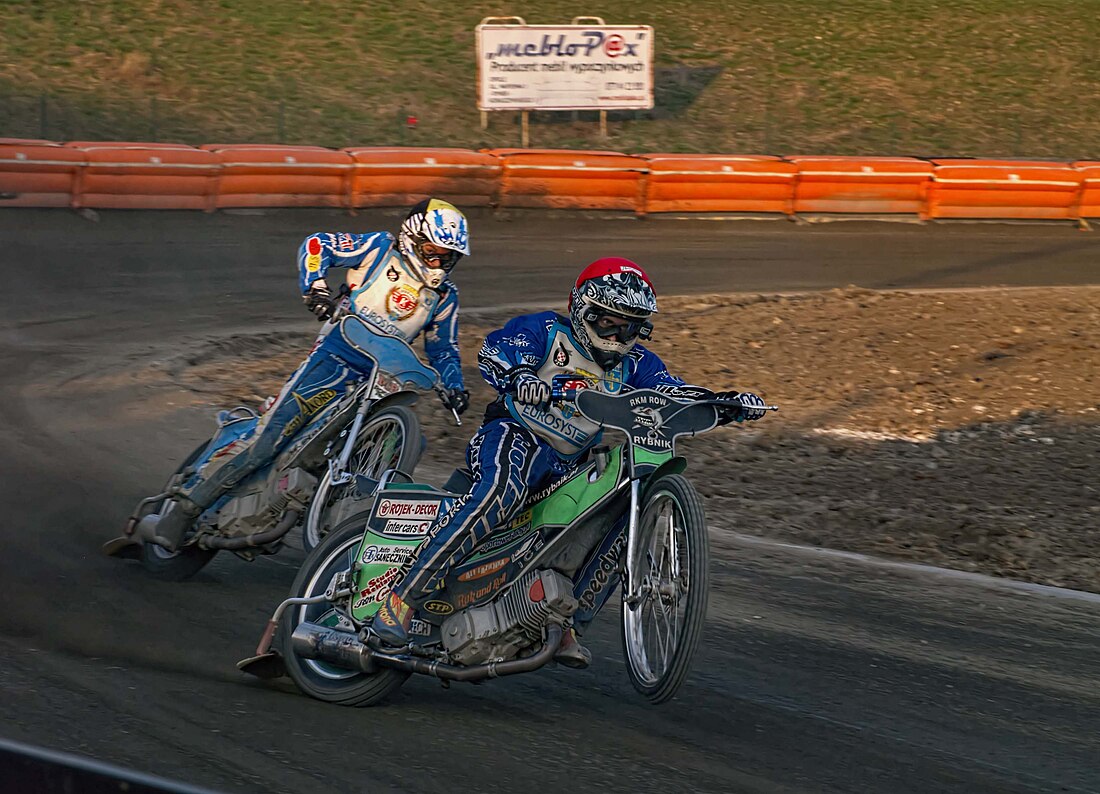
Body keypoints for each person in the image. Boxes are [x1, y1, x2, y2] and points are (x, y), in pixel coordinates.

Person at [371, 257, 767, 667]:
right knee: (502, 489)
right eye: (609, 321)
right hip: (513, 434)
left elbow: (672, 393)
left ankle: (563, 619)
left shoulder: (638, 365)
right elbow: (495, 349)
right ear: (583, 311)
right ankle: (402, 597)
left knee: (614, 508)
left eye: (629, 325)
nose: (618, 334)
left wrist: (726, 403)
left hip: (568, 467)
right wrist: (522, 378)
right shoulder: (546, 330)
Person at [152, 198, 472, 550]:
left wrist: (454, 385)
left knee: (410, 442)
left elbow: (443, 348)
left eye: (448, 256)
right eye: (433, 251)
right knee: (268, 442)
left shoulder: (444, 297)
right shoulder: (379, 248)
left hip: (382, 381)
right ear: (412, 237)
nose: (440, 262)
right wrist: (316, 287)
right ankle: (183, 510)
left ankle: (334, 521)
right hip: (334, 361)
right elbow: (317, 244)